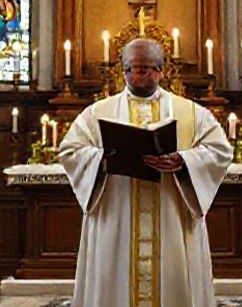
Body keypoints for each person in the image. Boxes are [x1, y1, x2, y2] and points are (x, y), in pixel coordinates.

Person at [58, 38, 233, 307]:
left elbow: (220, 151)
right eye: (135, 68)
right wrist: (101, 160)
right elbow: (70, 151)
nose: (143, 74)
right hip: (115, 215)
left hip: (171, 215)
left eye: (150, 68)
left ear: (163, 70)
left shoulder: (192, 113)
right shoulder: (97, 113)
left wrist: (184, 160)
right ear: (123, 70)